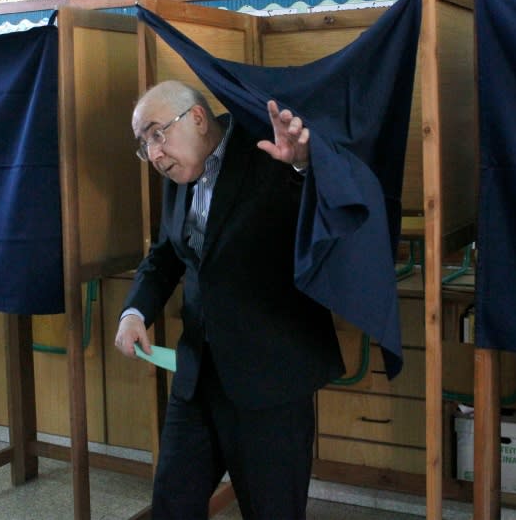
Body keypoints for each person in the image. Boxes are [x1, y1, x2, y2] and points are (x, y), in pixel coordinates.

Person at [114, 80, 344, 520]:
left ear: (197, 118)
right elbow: (166, 255)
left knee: (272, 510)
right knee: (172, 505)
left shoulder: (267, 148)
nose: (155, 154)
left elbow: (321, 223)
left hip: (270, 377)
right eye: (145, 145)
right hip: (198, 373)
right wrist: (134, 311)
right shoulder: (179, 174)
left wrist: (303, 168)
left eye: (157, 134)